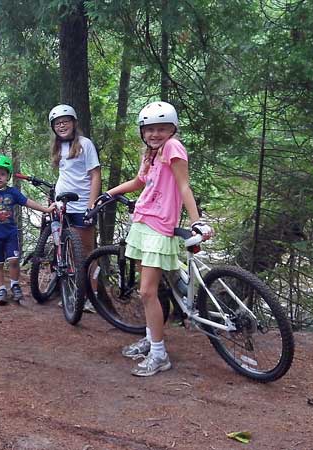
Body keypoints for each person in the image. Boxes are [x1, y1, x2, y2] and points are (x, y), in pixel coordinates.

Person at [100, 101, 213, 377]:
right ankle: (151, 341)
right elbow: (140, 182)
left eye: (161, 129)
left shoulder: (173, 148)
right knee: (148, 288)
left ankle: (160, 354)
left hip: (159, 227)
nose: (155, 134)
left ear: (172, 129)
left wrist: (195, 220)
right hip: (142, 222)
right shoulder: (151, 154)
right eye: (149, 129)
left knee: (147, 292)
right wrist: (109, 193)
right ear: (143, 132)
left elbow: (184, 185)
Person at [0, 154, 55, 305]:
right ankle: (1, 289)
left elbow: (27, 202)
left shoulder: (13, 192)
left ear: (8, 176)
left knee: (14, 260)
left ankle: (15, 285)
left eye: (3, 174)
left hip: (10, 235)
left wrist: (46, 209)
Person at [48, 104, 101, 308]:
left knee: (88, 251)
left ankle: (92, 295)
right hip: (63, 205)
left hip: (82, 205)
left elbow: (95, 174)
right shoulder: (58, 147)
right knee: (69, 251)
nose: (62, 126)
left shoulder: (85, 144)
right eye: (57, 123)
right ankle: (74, 293)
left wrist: (91, 205)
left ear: (74, 122)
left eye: (65, 121)